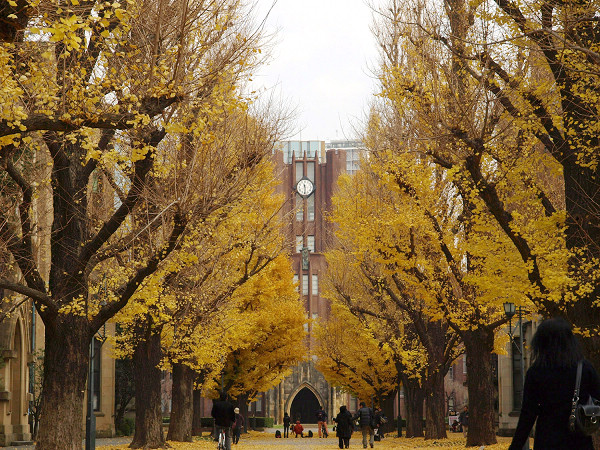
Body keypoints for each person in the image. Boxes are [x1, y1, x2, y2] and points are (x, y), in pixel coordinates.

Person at [508, 318, 600, 450]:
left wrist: (515, 446)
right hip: (579, 440)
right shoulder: (584, 368)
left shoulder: (536, 372)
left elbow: (527, 414)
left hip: (547, 440)